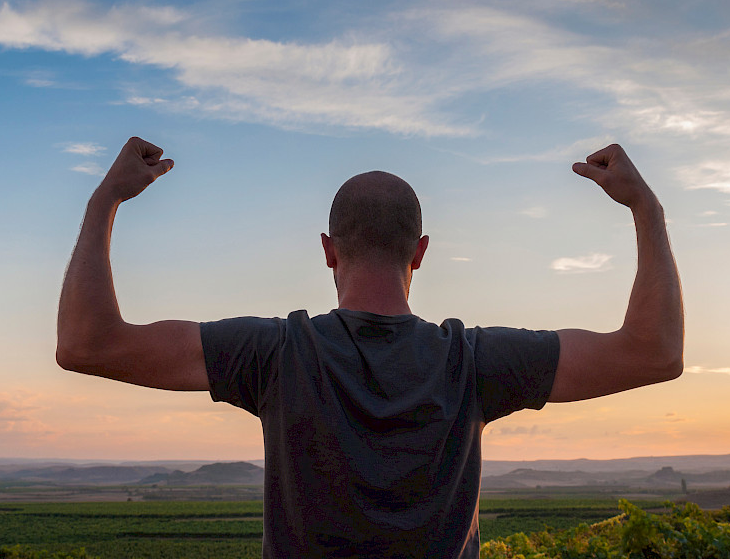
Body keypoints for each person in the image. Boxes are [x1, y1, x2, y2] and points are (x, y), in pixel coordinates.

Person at [57, 136, 684, 558]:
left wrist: (104, 200)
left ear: (329, 250)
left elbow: (87, 344)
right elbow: (653, 353)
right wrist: (646, 209)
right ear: (420, 253)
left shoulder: (275, 353)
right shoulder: (475, 362)